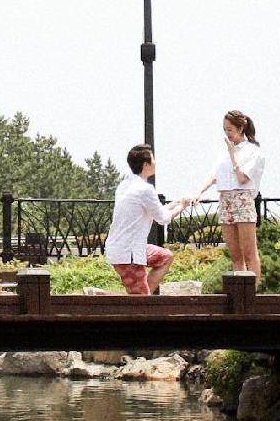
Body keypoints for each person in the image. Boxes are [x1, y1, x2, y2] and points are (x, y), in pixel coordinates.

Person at [106, 143, 187, 294]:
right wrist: (182, 206)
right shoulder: (145, 189)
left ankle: (145, 295)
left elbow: (155, 211)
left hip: (125, 248)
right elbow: (163, 219)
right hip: (128, 255)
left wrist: (177, 202)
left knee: (165, 256)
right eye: (153, 160)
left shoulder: (124, 185)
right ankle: (137, 299)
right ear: (146, 164)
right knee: (140, 305)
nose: (155, 163)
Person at [200, 110, 265, 284]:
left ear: (241, 128)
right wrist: (198, 192)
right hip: (225, 199)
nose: (227, 134)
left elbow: (243, 177)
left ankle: (253, 291)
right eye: (225, 130)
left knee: (249, 252)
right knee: (235, 254)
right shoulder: (223, 153)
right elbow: (214, 176)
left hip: (242, 198)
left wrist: (233, 155)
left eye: (230, 129)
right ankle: (239, 292)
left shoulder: (253, 151)